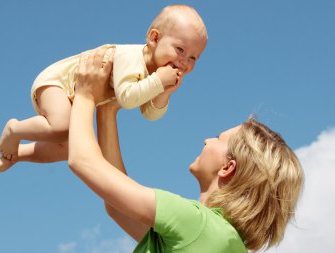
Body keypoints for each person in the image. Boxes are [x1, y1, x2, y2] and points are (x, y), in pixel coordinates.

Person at [67, 46, 304, 252]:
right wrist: (108, 109)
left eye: (218, 138)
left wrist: (86, 94)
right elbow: (118, 207)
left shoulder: (196, 223)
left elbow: (83, 162)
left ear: (228, 167)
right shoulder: (223, 241)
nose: (206, 141)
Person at [0, 4, 208, 173]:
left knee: (68, 147)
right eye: (180, 49)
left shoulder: (153, 75)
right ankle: (14, 129)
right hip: (57, 82)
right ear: (154, 38)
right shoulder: (131, 57)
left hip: (76, 97)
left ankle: (15, 154)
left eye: (193, 58)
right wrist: (158, 82)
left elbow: (150, 114)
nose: (184, 62)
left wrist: (164, 92)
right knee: (62, 126)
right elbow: (126, 98)